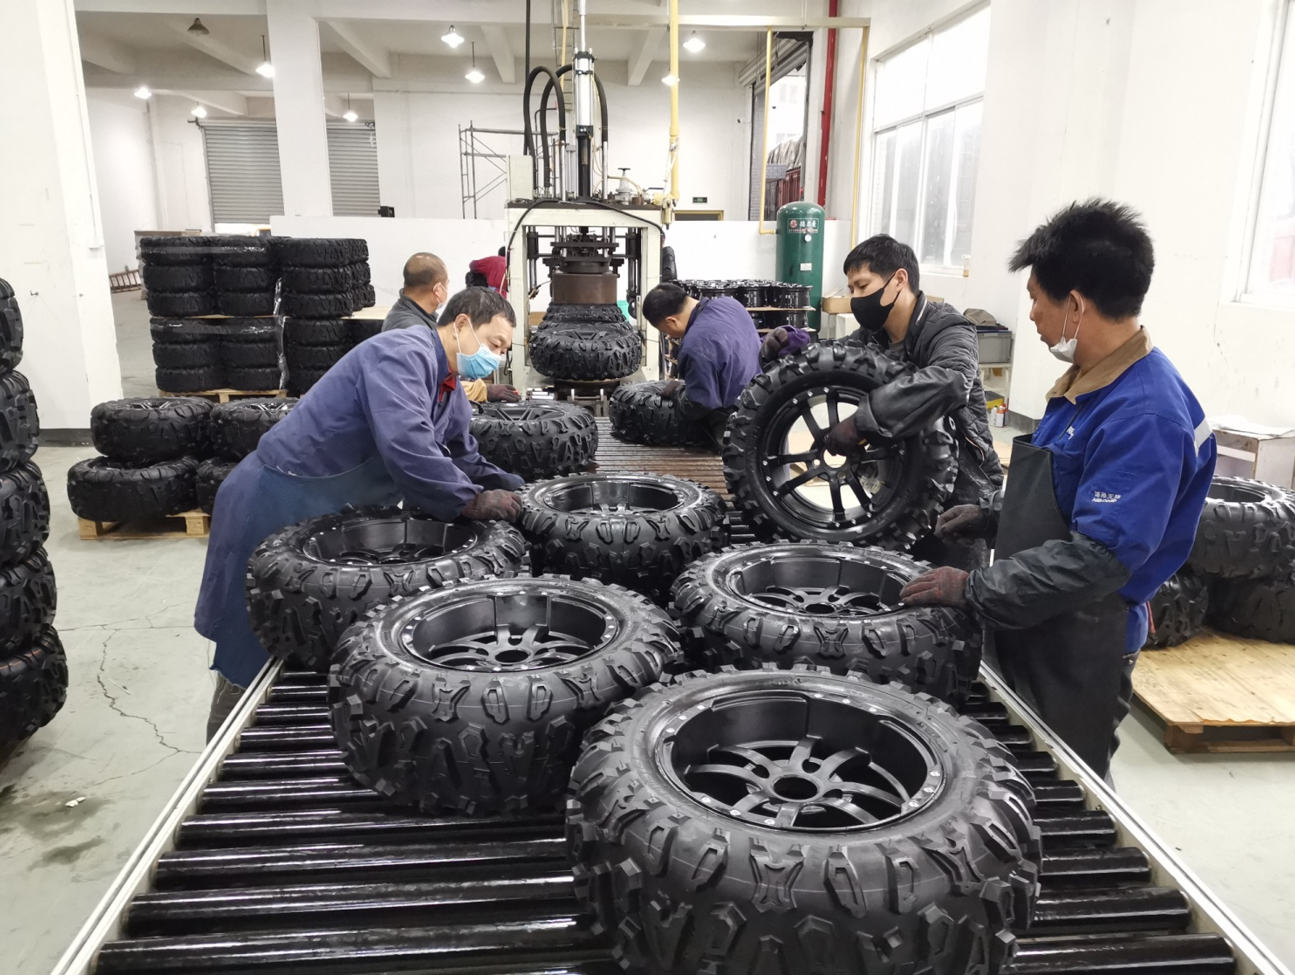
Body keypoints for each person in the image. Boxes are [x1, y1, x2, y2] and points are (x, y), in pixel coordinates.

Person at [900, 199, 1217, 780]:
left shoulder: (1144, 414)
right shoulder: (1089, 383)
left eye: (1036, 300)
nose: (1032, 316)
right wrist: (993, 516)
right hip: (1034, 613)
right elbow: (1068, 493)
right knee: (1011, 766)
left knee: (1060, 785)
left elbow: (1099, 557)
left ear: (1075, 305)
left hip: (1081, 641)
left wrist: (973, 586)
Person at [196, 287, 526, 739]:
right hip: (278, 496)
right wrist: (469, 501)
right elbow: (406, 444)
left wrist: (523, 492)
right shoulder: (403, 353)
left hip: (330, 509)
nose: (495, 358)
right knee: (257, 641)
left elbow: (463, 457)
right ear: (463, 323)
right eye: (494, 343)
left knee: (311, 635)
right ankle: (223, 751)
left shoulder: (448, 387)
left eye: (503, 351)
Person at [765, 235, 1003, 570]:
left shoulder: (947, 328)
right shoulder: (871, 338)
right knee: (896, 582)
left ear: (899, 279)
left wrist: (863, 421)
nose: (855, 298)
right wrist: (795, 348)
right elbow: (834, 358)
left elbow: (951, 380)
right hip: (900, 485)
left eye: (863, 286)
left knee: (951, 588)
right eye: (851, 289)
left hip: (960, 492)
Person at [642, 282, 762, 450]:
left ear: (672, 321)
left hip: (739, 428)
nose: (669, 336)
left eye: (666, 331)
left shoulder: (695, 345)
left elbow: (700, 404)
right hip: (767, 407)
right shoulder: (731, 304)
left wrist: (677, 393)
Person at [385, 261, 520, 402]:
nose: (496, 356)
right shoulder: (410, 332)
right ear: (438, 290)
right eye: (495, 344)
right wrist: (482, 391)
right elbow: (425, 389)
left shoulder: (420, 318)